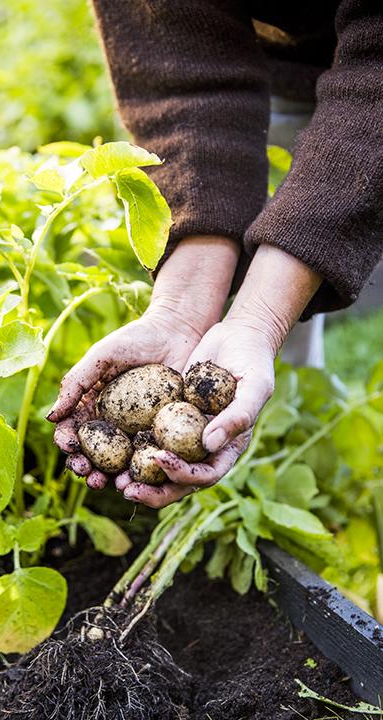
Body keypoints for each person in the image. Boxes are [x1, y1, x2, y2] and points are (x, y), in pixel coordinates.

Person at [47, 0, 383, 509]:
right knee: (264, 335)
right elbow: (181, 66)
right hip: (277, 61)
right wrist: (186, 309)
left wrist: (262, 316)